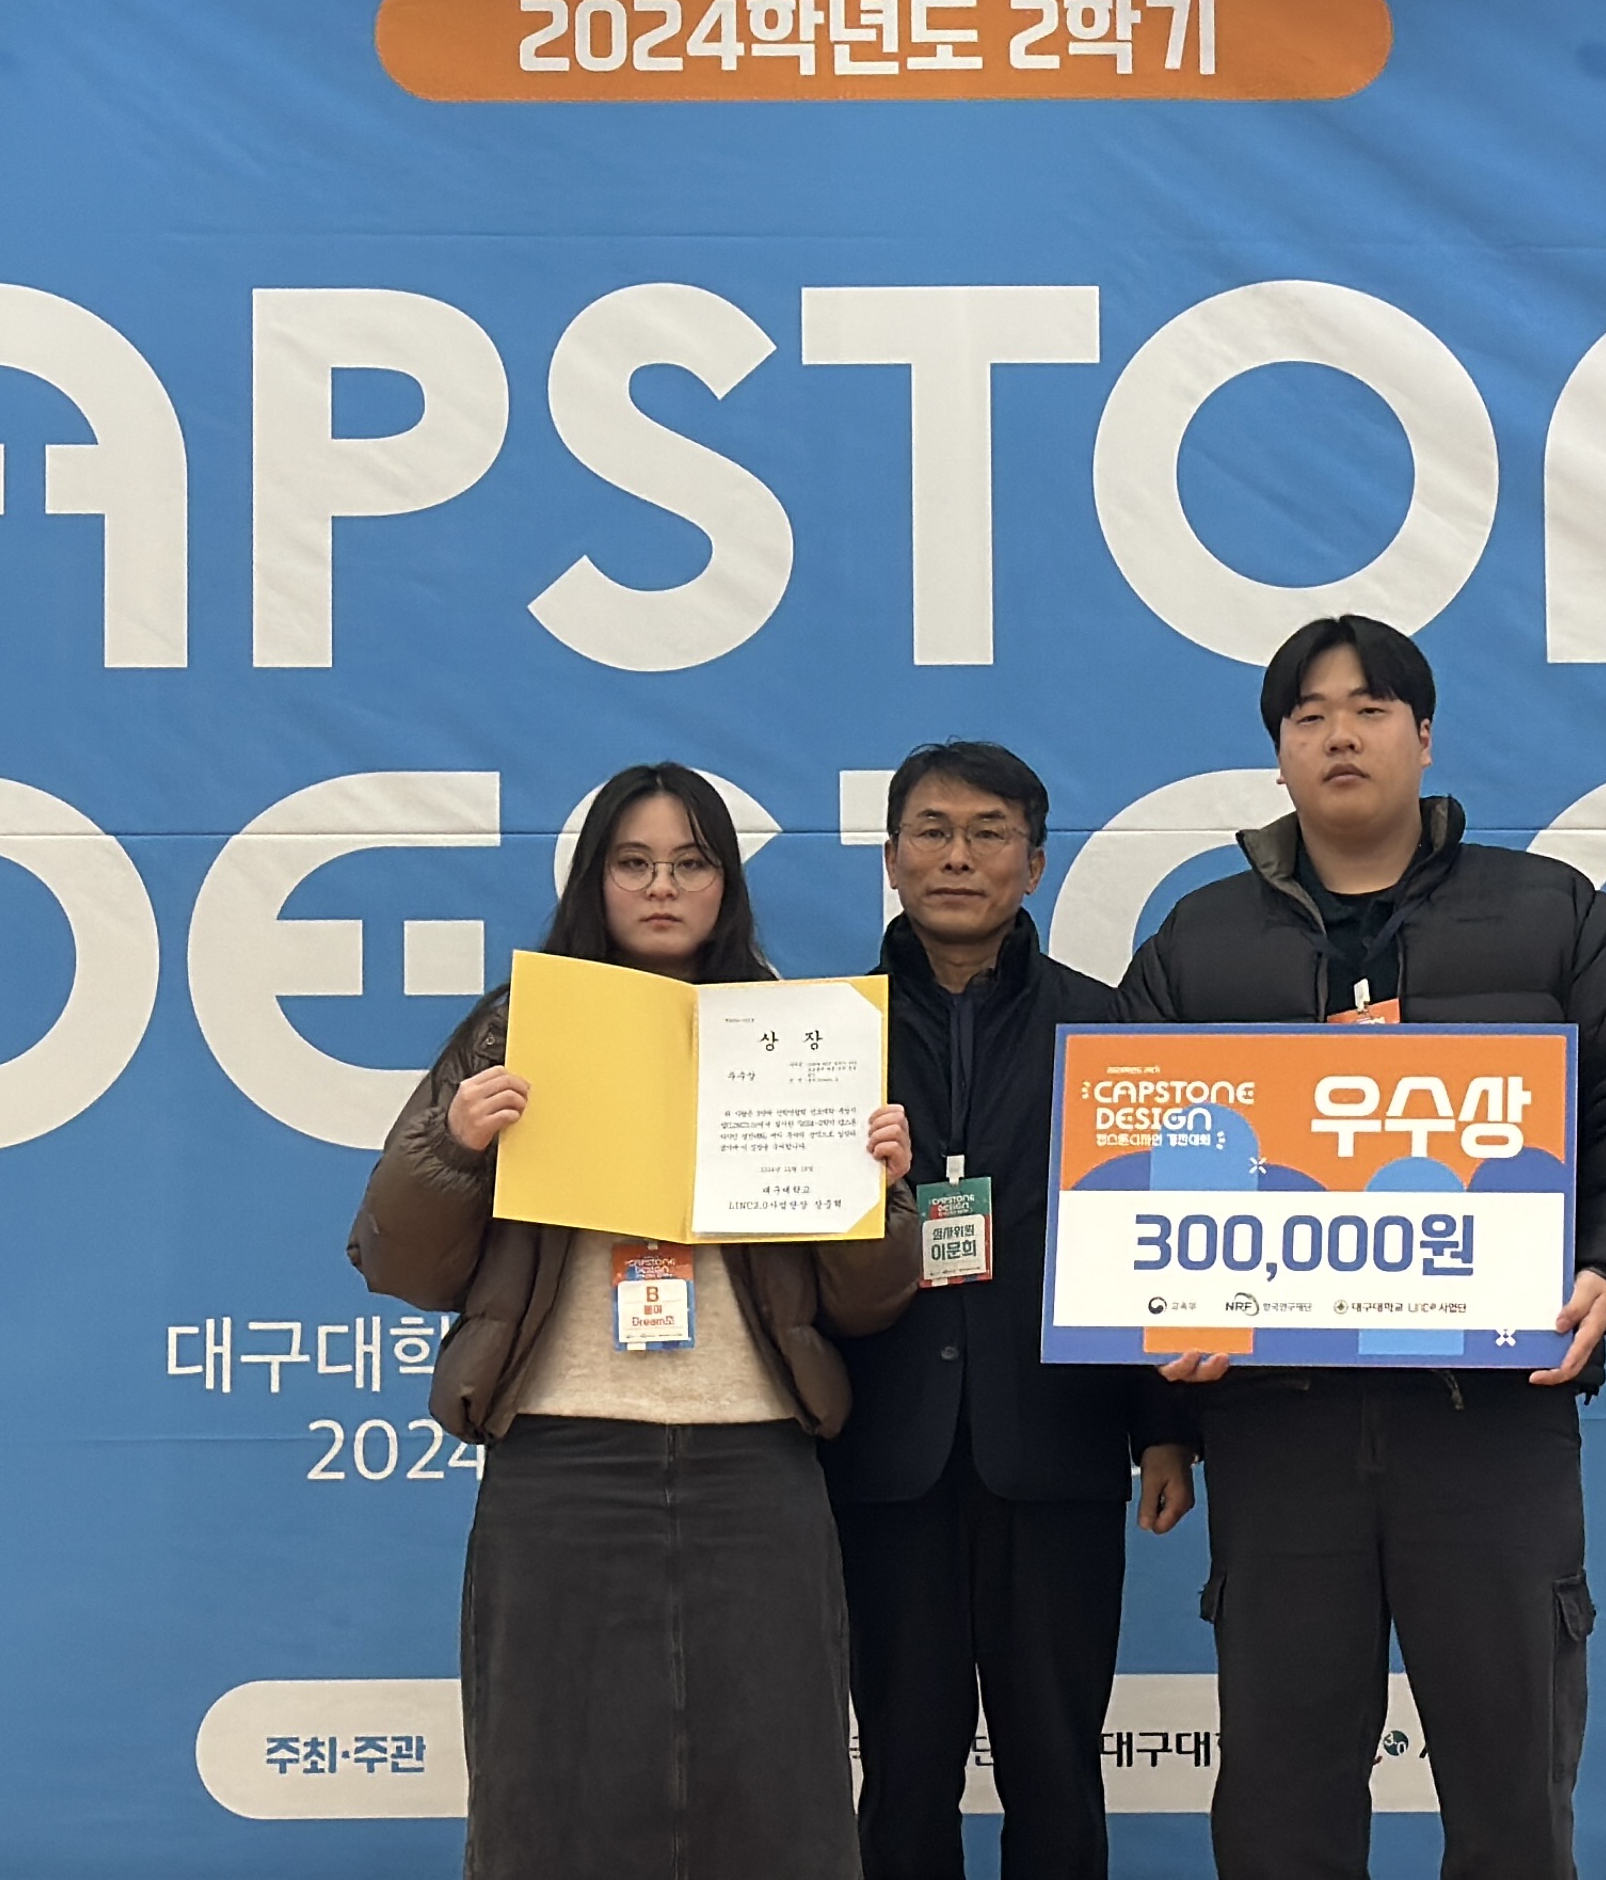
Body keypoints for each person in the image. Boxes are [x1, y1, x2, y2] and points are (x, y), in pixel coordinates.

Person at [1117, 616, 1606, 1880]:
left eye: (1371, 708)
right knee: (1280, 1799)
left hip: (1489, 1420)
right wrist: (1158, 1412)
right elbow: (1127, 1178)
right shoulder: (1196, 942)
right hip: (1277, 1430)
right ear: (1278, 751)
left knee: (1510, 1795)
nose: (1339, 734)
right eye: (1308, 715)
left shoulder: (1552, 915)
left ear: (1425, 736)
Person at [348, 762, 923, 1880]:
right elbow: (399, 1259)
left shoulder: (799, 1033)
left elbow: (865, 1302)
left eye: (690, 863)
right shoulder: (516, 1030)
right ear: (594, 880)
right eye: (634, 863)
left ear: (726, 884)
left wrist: (881, 1194)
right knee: (546, 1788)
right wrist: (454, 1147)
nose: (663, 887)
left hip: (756, 1458)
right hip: (560, 1455)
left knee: (779, 1789)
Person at [823, 742, 1198, 1880]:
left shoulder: (1109, 1031)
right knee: (902, 1774)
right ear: (891, 858)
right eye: (931, 832)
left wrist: (1163, 1428)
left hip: (1057, 1441)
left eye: (988, 834)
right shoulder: (821, 1036)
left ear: (1034, 865)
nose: (957, 856)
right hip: (881, 1450)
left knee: (1057, 1772)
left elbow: (1148, 1238)